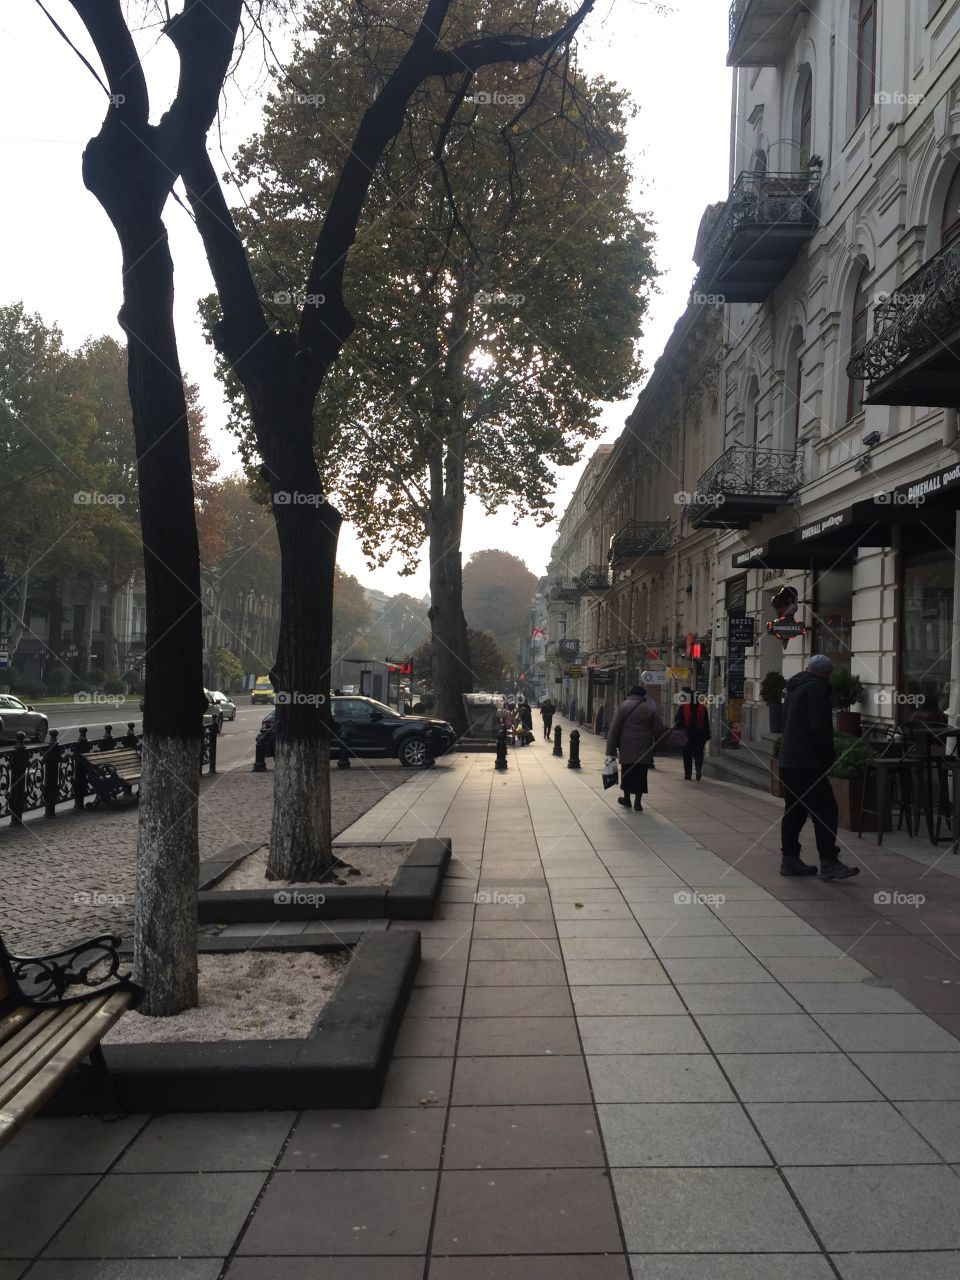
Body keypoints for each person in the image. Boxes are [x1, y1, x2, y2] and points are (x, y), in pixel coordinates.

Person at [779, 654, 860, 880]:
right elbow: (820, 728)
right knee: (826, 811)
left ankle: (790, 859)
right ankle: (828, 861)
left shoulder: (794, 687)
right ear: (827, 674)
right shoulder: (817, 689)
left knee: (794, 810)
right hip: (808, 762)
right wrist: (827, 757)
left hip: (789, 759)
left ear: (808, 668)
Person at [605, 685, 665, 811]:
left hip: (626, 746)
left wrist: (610, 749)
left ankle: (626, 798)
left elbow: (614, 728)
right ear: (643, 695)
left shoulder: (623, 706)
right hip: (644, 746)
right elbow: (659, 728)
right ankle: (638, 802)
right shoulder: (649, 708)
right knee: (641, 774)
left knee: (627, 771)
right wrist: (659, 746)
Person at [676, 689, 710, 781]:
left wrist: (679, 730)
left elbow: (678, 722)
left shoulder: (683, 708)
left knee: (687, 756)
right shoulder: (703, 709)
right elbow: (706, 724)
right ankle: (698, 767)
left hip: (686, 736)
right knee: (698, 754)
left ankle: (688, 775)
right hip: (700, 736)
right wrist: (707, 736)